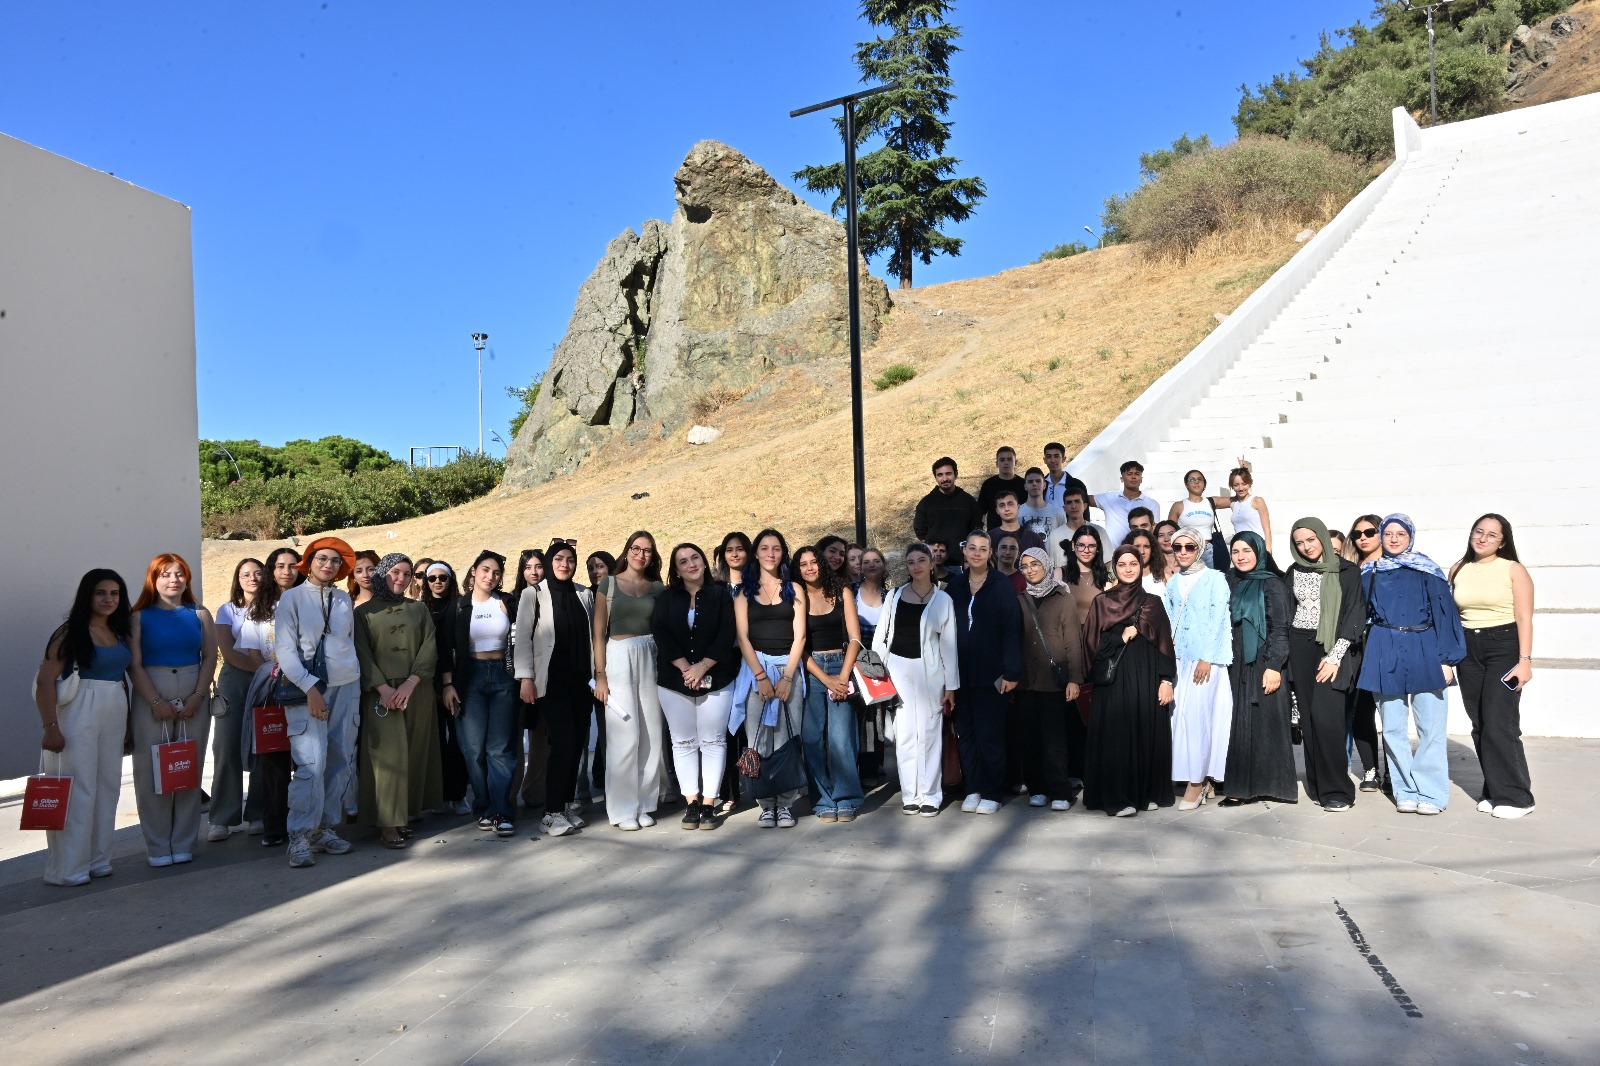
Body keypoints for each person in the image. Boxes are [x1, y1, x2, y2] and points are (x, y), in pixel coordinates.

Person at [1357, 515, 1467, 815]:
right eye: (1388, 533)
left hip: (1424, 647)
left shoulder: (1428, 570)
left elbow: (1446, 615)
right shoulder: (1370, 572)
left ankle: (1431, 793)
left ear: (1411, 536)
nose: (1394, 539)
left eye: (1400, 533)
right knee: (1392, 727)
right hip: (1384, 647)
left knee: (1430, 727)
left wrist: (1448, 659)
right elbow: (1357, 614)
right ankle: (1405, 789)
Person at [33, 569, 131, 886]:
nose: (108, 599)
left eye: (114, 593)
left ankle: (97, 860)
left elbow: (123, 678)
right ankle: (67, 868)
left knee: (107, 786)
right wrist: (50, 727)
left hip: (114, 708)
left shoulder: (118, 631)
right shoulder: (70, 633)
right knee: (78, 788)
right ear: (87, 596)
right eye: (101, 593)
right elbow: (45, 682)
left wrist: (128, 722)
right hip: (78, 710)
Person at [274, 537, 361, 867]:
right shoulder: (291, 599)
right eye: (322, 558)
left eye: (336, 561)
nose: (329, 564)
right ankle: (299, 835)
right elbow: (285, 650)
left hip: (346, 686)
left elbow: (346, 643)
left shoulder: (342, 599)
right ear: (308, 561)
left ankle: (325, 828)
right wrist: (311, 689)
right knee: (311, 762)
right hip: (307, 688)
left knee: (340, 759)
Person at [127, 553, 218, 868]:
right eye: (166, 574)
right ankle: (157, 845)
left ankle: (183, 842)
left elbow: (209, 657)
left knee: (187, 768)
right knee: (152, 771)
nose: (174, 579)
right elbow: (133, 663)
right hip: (152, 691)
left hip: (194, 689)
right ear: (154, 579)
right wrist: (155, 701)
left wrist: (197, 695)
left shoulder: (200, 613)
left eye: (180, 574)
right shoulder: (138, 616)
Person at [1450, 514, 1536, 818]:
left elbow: (1524, 617)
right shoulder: (1458, 569)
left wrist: (1524, 662)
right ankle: (1494, 788)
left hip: (1504, 646)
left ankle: (1517, 798)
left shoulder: (1513, 570)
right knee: (1480, 722)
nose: (1483, 538)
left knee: (1500, 722)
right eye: (1478, 531)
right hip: (1468, 648)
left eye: (1492, 535)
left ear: (1503, 541)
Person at [354, 554, 442, 848]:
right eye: (394, 572)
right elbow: (361, 653)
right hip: (381, 695)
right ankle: (387, 824)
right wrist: (384, 688)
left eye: (406, 574)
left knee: (415, 753)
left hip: (417, 692)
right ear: (382, 574)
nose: (401, 578)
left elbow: (429, 647)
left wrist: (411, 682)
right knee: (386, 758)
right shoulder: (363, 613)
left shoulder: (418, 610)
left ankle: (403, 816)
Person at [1081, 546, 1176, 817]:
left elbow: (1164, 646)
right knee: (1117, 737)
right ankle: (1118, 798)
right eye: (1122, 564)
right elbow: (1090, 645)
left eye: (1133, 563)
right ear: (1114, 568)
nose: (1128, 569)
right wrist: (1118, 638)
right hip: (1115, 681)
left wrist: (1165, 680)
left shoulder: (1153, 603)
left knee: (1144, 732)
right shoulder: (1102, 602)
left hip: (1146, 678)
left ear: (1141, 565)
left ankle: (1144, 794)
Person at [651, 542, 739, 830]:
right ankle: (691, 802)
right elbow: (660, 633)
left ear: (703, 561)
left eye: (695, 558)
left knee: (713, 741)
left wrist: (703, 666)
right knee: (684, 741)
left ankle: (709, 804)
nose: (691, 564)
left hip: (717, 677)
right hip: (674, 680)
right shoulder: (666, 598)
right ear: (676, 569)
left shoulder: (721, 594)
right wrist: (685, 667)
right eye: (683, 561)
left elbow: (727, 632)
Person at [513, 540, 597, 837]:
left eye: (570, 559)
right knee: (562, 743)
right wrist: (525, 678)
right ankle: (551, 813)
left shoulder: (584, 594)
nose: (565, 564)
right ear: (550, 563)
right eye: (559, 559)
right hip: (550, 684)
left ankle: (563, 804)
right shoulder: (532, 594)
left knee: (576, 745)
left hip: (581, 684)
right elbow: (522, 639)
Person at [1285, 519, 1368, 811]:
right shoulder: (1293, 571)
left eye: (1311, 539)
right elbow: (1288, 613)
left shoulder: (1347, 570)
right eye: (1299, 542)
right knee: (1308, 720)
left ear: (1321, 537)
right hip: (1300, 647)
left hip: (1332, 648)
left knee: (1327, 719)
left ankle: (1338, 791)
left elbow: (1354, 613)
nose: (1306, 546)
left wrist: (1335, 656)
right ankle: (1319, 785)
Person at [874, 544, 958, 816]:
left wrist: (950, 686)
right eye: (910, 562)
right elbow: (881, 636)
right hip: (898, 670)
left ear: (932, 563)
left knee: (930, 734)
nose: (916, 566)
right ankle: (910, 793)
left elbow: (949, 645)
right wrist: (877, 673)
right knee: (905, 734)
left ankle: (931, 795)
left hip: (930, 673)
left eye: (922, 560)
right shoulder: (895, 596)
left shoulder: (942, 600)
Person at [592, 531, 667, 831]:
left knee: (650, 732)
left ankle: (645, 803)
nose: (641, 554)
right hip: (618, 656)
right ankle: (623, 809)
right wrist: (601, 675)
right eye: (636, 548)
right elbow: (598, 633)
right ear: (627, 550)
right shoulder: (607, 584)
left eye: (647, 551)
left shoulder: (657, 588)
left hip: (650, 655)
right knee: (624, 734)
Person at [441, 550, 520, 837]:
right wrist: (447, 684)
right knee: (473, 749)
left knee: (500, 749)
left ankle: (502, 811)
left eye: (496, 572)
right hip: (469, 678)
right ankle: (483, 806)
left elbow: (522, 640)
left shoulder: (508, 602)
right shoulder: (459, 606)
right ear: (474, 571)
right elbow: (445, 648)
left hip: (503, 676)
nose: (491, 576)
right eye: (485, 570)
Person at [945, 530, 1023, 815]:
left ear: (990, 553)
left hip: (992, 676)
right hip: (960, 675)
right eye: (972, 548)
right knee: (965, 734)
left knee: (990, 735)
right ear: (964, 552)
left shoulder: (1001, 585)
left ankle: (992, 791)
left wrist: (1011, 672)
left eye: (983, 549)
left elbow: (1012, 629)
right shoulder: (953, 587)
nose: (977, 553)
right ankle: (974, 788)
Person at [733, 529, 806, 828]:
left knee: (788, 737)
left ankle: (786, 803)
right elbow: (742, 636)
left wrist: (787, 677)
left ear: (782, 553)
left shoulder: (794, 589)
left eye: (776, 548)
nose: (770, 554)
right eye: (764, 548)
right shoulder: (743, 591)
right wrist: (761, 676)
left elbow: (800, 635)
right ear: (756, 553)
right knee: (758, 738)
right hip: (756, 671)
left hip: (789, 669)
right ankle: (765, 803)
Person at [1220, 531, 1299, 806]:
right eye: (1236, 551)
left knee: (1266, 722)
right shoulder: (1228, 580)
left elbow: (1280, 628)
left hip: (1264, 660)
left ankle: (1273, 785)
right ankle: (1240, 787)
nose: (1241, 557)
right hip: (1234, 659)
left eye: (1247, 551)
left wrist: (1274, 666)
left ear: (1260, 552)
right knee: (1239, 721)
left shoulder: (1273, 584)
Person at [1163, 527, 1234, 810]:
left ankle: (1197, 783)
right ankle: (1197, 778)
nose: (1182, 552)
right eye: (1177, 546)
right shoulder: (1172, 582)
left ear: (1200, 548)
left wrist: (1207, 657)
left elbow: (1219, 618)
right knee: (1179, 720)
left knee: (1200, 720)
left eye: (1189, 547)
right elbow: (1168, 619)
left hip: (1207, 660)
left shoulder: (1215, 579)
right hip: (1180, 658)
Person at [794, 545, 864, 822]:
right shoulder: (797, 598)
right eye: (803, 564)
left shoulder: (842, 592)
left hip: (841, 663)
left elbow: (856, 638)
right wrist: (825, 679)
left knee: (840, 738)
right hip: (812, 670)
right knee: (812, 738)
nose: (810, 568)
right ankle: (823, 799)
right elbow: (798, 644)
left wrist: (843, 676)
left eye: (814, 562)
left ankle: (846, 797)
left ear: (822, 564)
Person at [1015, 548, 1086, 811]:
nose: (1030, 569)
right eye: (1025, 566)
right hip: (1025, 681)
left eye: (1035, 564)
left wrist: (1075, 679)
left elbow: (1073, 642)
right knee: (1030, 738)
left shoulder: (1063, 597)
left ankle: (1060, 791)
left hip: (1054, 681)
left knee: (1054, 740)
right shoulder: (1020, 599)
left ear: (1046, 565)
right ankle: (1037, 788)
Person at [209, 558, 271, 841]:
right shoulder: (227, 610)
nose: (252, 578)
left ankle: (258, 812)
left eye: (258, 573)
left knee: (264, 745)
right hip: (236, 679)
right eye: (246, 574)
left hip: (269, 680)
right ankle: (223, 817)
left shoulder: (277, 607)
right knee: (226, 746)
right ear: (237, 578)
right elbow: (229, 652)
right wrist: (262, 670)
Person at [253, 547, 302, 846]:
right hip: (271, 689)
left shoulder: (309, 599)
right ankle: (275, 826)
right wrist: (273, 673)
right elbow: (248, 650)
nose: (287, 571)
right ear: (271, 570)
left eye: (293, 565)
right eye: (280, 565)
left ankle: (306, 822)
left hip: (307, 687)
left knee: (307, 759)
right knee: (274, 761)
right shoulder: (260, 607)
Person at [420, 561, 471, 815]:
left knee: (458, 740)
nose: (437, 582)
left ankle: (458, 794)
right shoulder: (419, 610)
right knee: (434, 740)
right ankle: (435, 794)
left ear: (451, 580)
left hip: (455, 680)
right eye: (432, 578)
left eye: (443, 577)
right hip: (426, 682)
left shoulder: (461, 606)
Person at [1343, 513, 1387, 789]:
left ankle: (1395, 772)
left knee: (1390, 711)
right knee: (1361, 710)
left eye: (1369, 532)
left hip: (1383, 639)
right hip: (1356, 643)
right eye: (1357, 534)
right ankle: (1371, 769)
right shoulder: (1352, 568)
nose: (1362, 538)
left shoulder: (1393, 566)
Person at [711, 531, 752, 812]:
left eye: (740, 549)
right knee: (725, 727)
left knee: (752, 725)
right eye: (729, 549)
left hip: (753, 660)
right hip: (724, 660)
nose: (735, 554)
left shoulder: (757, 585)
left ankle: (761, 785)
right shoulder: (715, 587)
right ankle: (729, 790)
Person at [509, 548, 549, 815]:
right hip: (512, 680)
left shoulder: (551, 599)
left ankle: (534, 791)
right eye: (528, 567)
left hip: (544, 680)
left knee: (541, 740)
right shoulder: (510, 601)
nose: (533, 572)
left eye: (538, 566)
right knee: (513, 741)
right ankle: (508, 796)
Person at [854, 547, 890, 782]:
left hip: (882, 660)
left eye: (876, 561)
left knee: (877, 713)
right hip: (856, 658)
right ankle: (857, 766)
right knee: (858, 715)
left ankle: (872, 766)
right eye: (867, 561)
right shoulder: (850, 592)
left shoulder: (891, 596)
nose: (872, 565)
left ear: (883, 565)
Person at [913, 456, 981, 560]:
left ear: (956, 474)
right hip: (936, 562)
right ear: (935, 477)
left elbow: (976, 528)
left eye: (948, 474)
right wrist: (934, 551)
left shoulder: (968, 501)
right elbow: (921, 532)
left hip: (963, 561)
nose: (944, 479)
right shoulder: (926, 504)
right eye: (940, 475)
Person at [1092, 460, 1161, 548]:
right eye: (1129, 474)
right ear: (1121, 479)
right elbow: (1082, 499)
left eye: (1137, 474)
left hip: (1141, 552)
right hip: (1112, 554)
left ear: (1141, 479)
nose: (1133, 477)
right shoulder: (1109, 498)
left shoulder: (1152, 504)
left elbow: (1154, 531)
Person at [1210, 460, 1272, 552]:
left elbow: (1267, 529)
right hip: (1240, 549)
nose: (1240, 488)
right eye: (1236, 485)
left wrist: (1268, 552)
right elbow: (1213, 501)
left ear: (1250, 483)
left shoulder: (1257, 501)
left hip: (1257, 547)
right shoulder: (1233, 502)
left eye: (1244, 484)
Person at [1169, 470, 1221, 566]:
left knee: (1208, 580)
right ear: (1186, 485)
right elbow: (1170, 531)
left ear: (1204, 484)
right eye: (1192, 480)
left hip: (1207, 551)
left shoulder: (1211, 501)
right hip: (1186, 551)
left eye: (1199, 479)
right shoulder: (1178, 505)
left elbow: (1236, 499)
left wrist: (1243, 472)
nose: (1196, 482)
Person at [1064, 526, 1108, 629]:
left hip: (1097, 637)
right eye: (1081, 545)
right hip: (1070, 637)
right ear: (1073, 545)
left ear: (1098, 548)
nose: (1086, 550)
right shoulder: (1061, 574)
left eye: (1091, 546)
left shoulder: (1104, 577)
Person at [978, 445, 1027, 532]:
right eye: (1002, 460)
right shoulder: (988, 484)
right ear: (997, 463)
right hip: (994, 533)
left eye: (1009, 459)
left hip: (1019, 533)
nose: (1006, 462)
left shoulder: (1024, 484)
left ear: (1016, 462)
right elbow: (981, 512)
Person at [1060, 489, 1109, 562]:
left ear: (1085, 506)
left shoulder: (1099, 532)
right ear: (1064, 508)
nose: (1073, 506)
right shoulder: (1054, 536)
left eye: (1077, 501)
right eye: (1069, 502)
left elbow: (1108, 562)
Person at [1041, 442, 1088, 508]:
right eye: (1049, 456)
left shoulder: (1077, 485)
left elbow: (1084, 512)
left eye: (1056, 456)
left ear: (1063, 459)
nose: (1052, 460)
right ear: (1044, 460)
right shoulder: (1040, 486)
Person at [1123, 529, 1168, 594]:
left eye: (1146, 547)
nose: (1142, 551)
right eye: (1137, 546)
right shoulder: (1120, 582)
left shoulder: (1165, 578)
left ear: (1152, 550)